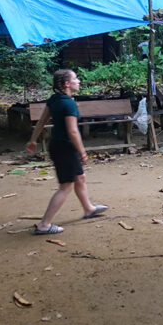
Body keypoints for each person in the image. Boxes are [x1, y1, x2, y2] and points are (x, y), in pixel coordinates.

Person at [25, 69, 108, 234]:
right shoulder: (68, 103)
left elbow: (41, 122)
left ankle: (88, 209)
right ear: (67, 84)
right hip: (66, 148)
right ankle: (44, 225)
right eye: (75, 78)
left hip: (57, 145)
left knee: (80, 177)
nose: (79, 81)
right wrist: (82, 151)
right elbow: (73, 131)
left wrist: (33, 140)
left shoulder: (55, 99)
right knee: (65, 187)